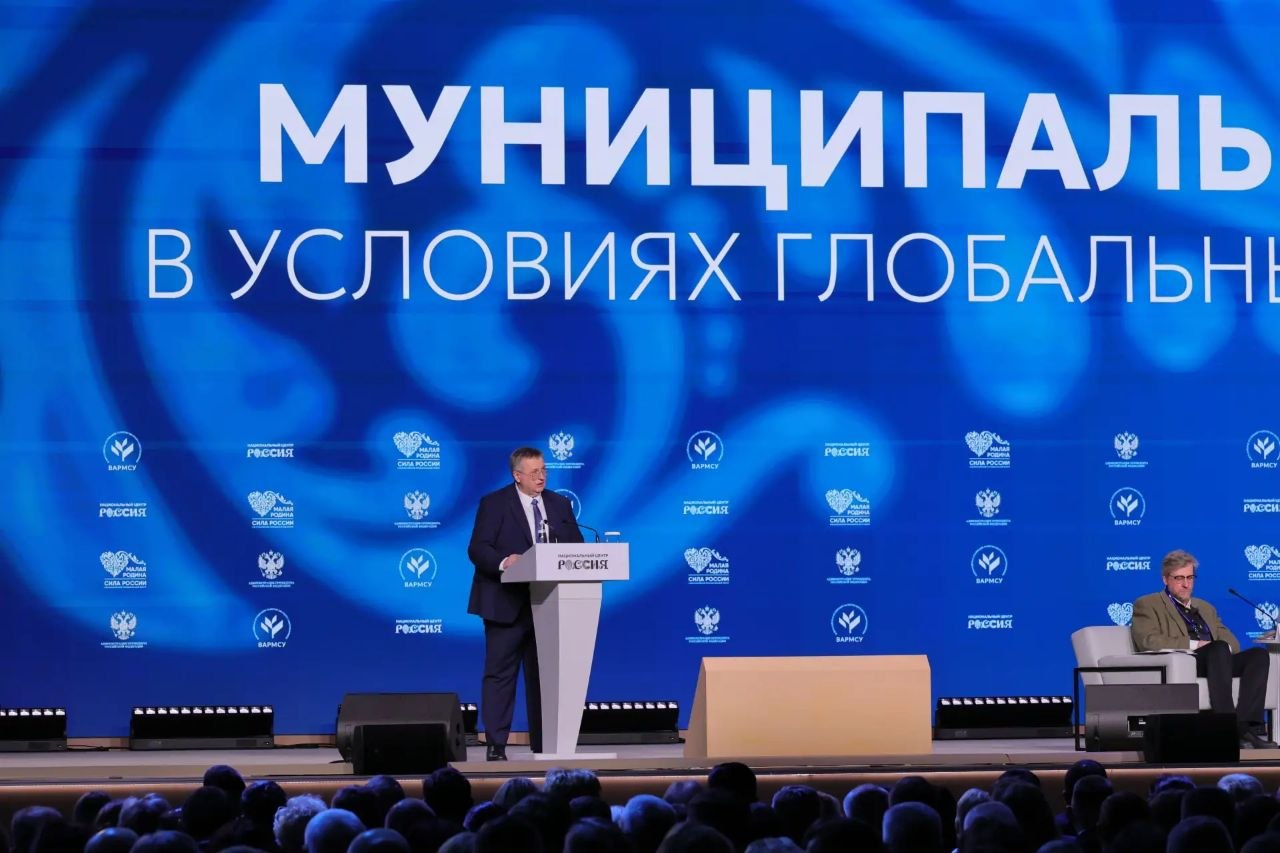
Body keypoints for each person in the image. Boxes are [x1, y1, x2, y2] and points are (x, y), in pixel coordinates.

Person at [467, 446, 583, 761]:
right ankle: (496, 744)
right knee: (500, 676)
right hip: (506, 604)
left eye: (544, 470)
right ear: (517, 476)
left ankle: (546, 745)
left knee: (545, 679)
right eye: (534, 473)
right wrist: (506, 561)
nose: (541, 477)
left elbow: (577, 547)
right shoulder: (494, 503)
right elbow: (478, 548)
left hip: (549, 605)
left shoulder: (559, 504)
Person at [1131, 549, 1278, 749]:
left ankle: (1246, 727)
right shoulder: (1148, 604)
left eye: (1190, 577)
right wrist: (1196, 644)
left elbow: (1231, 642)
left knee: (1257, 655)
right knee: (1217, 648)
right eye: (1179, 578)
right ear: (1165, 579)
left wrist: (1219, 647)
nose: (1186, 584)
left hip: (1218, 659)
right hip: (1187, 662)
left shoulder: (1205, 607)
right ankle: (1227, 727)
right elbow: (1148, 641)